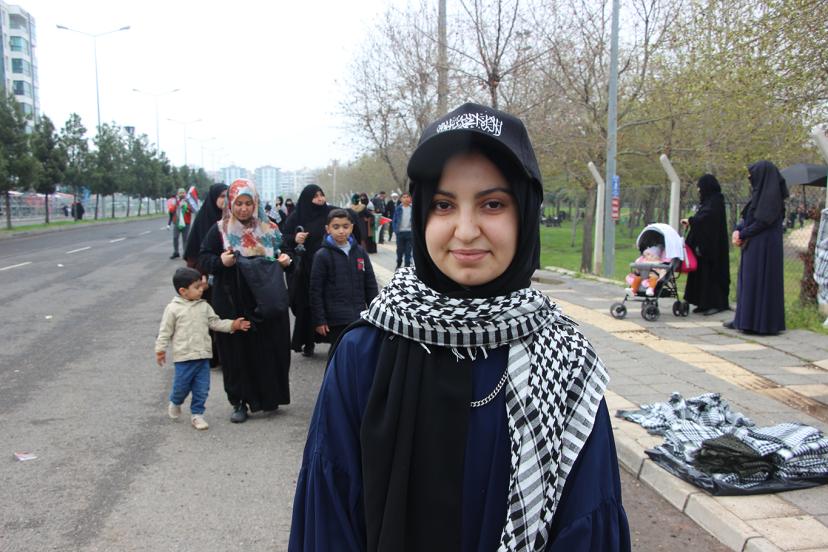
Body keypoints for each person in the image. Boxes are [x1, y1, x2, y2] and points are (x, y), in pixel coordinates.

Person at [289, 102, 630, 551]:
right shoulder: (365, 352)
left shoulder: (566, 363)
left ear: (525, 212)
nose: (465, 231)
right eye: (444, 205)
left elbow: (587, 528)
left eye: (492, 204)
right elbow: (330, 519)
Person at [199, 179, 293, 423]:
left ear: (255, 203)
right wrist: (221, 262)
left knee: (270, 349)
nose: (243, 208)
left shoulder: (269, 228)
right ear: (231, 203)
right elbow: (204, 259)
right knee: (236, 353)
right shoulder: (220, 230)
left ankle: (270, 397)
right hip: (233, 300)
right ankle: (239, 401)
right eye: (238, 203)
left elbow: (287, 252)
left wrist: (286, 260)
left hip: (266, 298)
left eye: (248, 203)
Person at [155, 267, 251, 430]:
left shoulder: (204, 306)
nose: (201, 289)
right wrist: (160, 350)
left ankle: (197, 415)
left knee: (202, 389)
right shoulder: (173, 309)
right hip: (184, 358)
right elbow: (165, 331)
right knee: (181, 388)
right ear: (183, 291)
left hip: (203, 357)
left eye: (201, 286)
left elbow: (215, 322)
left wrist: (233, 325)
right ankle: (176, 401)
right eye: (197, 287)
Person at [724, 160, 788, 335]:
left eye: (752, 175)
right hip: (754, 245)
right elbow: (748, 217)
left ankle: (761, 323)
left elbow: (762, 222)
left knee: (761, 282)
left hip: (765, 248)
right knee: (749, 282)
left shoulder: (772, 198)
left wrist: (742, 233)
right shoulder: (758, 195)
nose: (750, 178)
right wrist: (738, 230)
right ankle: (744, 320)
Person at [309, 208, 379, 347]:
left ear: (351, 228)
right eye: (336, 227)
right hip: (336, 319)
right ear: (328, 229)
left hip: (359, 315)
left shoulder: (360, 252)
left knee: (358, 351)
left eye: (345, 226)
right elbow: (315, 290)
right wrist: (319, 320)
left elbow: (370, 284)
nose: (341, 231)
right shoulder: (322, 255)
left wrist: (375, 313)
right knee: (338, 352)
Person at [282, 184, 332, 357]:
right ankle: (307, 341)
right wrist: (295, 238)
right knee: (306, 305)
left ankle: (334, 339)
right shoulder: (297, 216)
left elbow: (345, 223)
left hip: (327, 267)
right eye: (315, 196)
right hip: (305, 269)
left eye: (321, 194)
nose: (320, 199)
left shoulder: (330, 213)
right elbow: (284, 238)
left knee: (328, 303)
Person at [681, 174, 731, 315]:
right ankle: (702, 302)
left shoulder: (716, 201)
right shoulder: (709, 201)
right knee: (701, 274)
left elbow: (707, 218)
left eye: (700, 187)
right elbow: (702, 217)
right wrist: (692, 221)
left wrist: (691, 221)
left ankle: (716, 304)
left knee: (712, 274)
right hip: (703, 247)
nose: (698, 190)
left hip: (713, 248)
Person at [184, 183, 228, 269]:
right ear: (214, 197)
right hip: (206, 267)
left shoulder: (232, 216)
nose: (226, 199)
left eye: (227, 196)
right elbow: (195, 248)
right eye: (222, 196)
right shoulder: (203, 217)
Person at [170, 188, 193, 259]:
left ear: (185, 194)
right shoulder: (175, 201)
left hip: (186, 223)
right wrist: (176, 205)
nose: (182, 194)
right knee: (175, 237)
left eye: (183, 193)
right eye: (180, 193)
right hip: (177, 222)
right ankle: (176, 252)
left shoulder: (188, 201)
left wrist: (186, 206)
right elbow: (171, 210)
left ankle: (185, 253)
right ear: (178, 194)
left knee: (185, 239)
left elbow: (192, 210)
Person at [393, 191, 413, 269]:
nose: (406, 199)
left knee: (408, 251)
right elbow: (394, 221)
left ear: (410, 198)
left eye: (407, 197)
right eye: (404, 197)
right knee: (399, 251)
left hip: (410, 233)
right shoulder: (398, 209)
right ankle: (399, 263)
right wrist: (395, 230)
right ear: (401, 199)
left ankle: (407, 266)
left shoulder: (413, 209)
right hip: (400, 233)